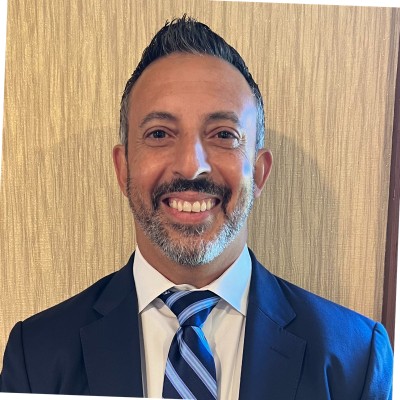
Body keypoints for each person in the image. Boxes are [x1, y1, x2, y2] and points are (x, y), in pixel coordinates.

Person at [0, 16, 393, 399]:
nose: (191, 166)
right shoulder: (36, 356)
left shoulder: (356, 360)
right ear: (123, 169)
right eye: (159, 133)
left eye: (223, 134)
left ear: (258, 173)